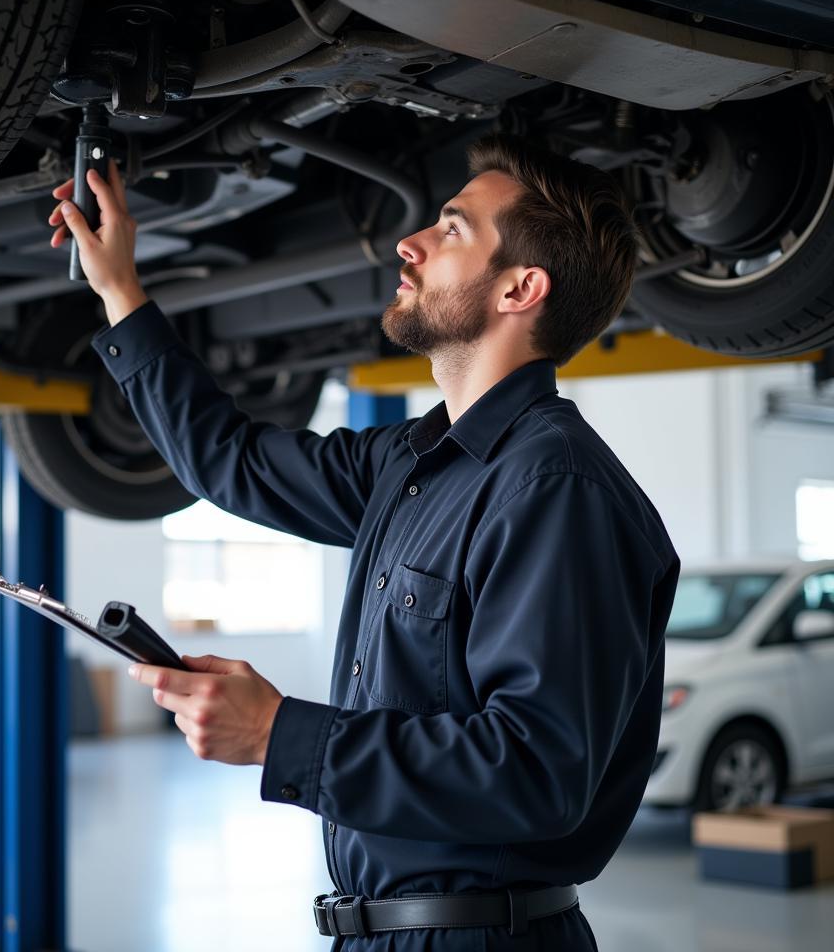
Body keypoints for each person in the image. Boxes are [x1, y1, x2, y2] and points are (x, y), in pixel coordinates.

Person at [48, 133, 679, 951]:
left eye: (452, 231)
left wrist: (282, 734)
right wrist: (121, 290)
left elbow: (536, 770)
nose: (407, 243)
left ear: (521, 288)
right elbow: (229, 460)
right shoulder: (409, 463)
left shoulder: (557, 489)